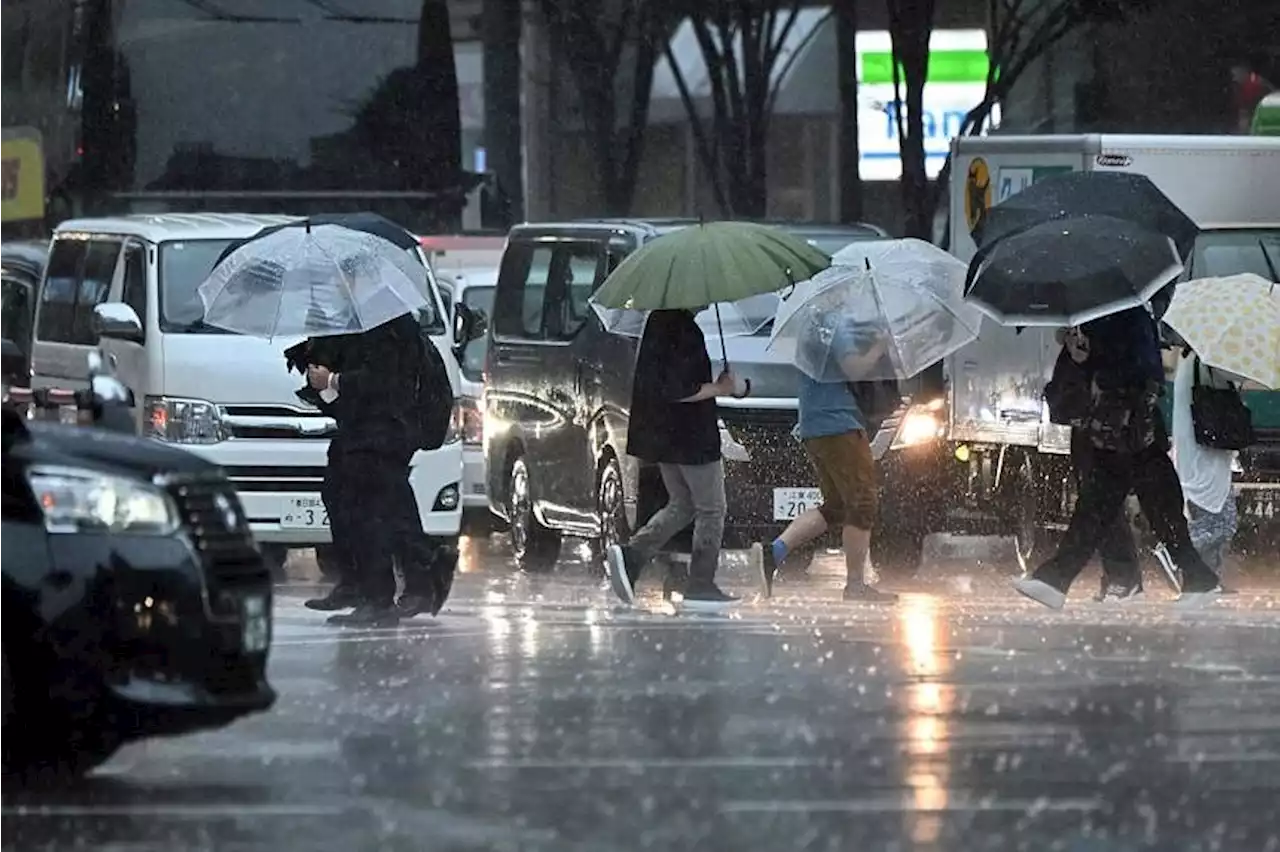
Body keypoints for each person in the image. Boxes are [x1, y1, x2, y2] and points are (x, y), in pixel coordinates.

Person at [1015, 307, 1221, 609]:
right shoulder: (1116, 314)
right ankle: (1195, 575)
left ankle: (1058, 579)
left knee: (1106, 503)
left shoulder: (1126, 316)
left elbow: (1137, 371)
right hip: (1124, 428)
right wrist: (1082, 354)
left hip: (1126, 426)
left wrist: (1090, 356)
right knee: (1133, 501)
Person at [305, 311, 457, 626]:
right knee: (344, 496)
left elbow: (386, 381)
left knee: (371, 513)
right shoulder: (355, 320)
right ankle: (369, 584)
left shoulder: (389, 324)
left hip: (387, 432)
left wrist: (333, 380)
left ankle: (382, 597)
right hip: (362, 429)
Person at [605, 308, 739, 610]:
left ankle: (633, 556)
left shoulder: (658, 323)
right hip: (692, 437)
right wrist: (720, 388)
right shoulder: (684, 329)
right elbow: (681, 390)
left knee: (683, 504)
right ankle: (701, 583)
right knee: (712, 509)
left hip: (665, 436)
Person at [757, 319, 897, 602]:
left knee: (837, 507)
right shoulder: (838, 326)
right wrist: (880, 346)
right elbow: (854, 368)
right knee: (862, 503)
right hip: (838, 424)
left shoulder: (812, 327)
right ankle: (856, 586)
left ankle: (773, 552)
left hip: (814, 424)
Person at [1049, 327, 1144, 602]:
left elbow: (1119, 377)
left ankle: (1123, 576)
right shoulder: (1083, 329)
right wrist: (1075, 354)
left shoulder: (1121, 329)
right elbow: (1065, 386)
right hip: (1087, 428)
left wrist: (1088, 358)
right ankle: (1121, 575)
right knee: (1098, 500)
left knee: (1102, 501)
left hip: (1108, 427)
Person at [1164, 349, 1239, 586]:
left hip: (1204, 450)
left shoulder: (1192, 361)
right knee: (1220, 522)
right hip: (1205, 452)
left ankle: (1203, 577)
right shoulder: (1206, 361)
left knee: (1214, 519)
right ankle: (1180, 559)